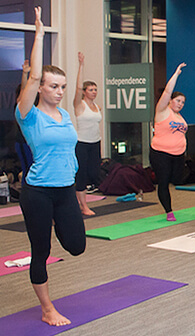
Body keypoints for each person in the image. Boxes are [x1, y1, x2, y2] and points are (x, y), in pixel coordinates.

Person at [15, 7, 86, 326]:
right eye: (53, 86)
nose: (59, 92)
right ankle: (47, 309)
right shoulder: (28, 115)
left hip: (65, 190)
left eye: (62, 86)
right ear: (40, 87)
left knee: (76, 246)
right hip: (38, 192)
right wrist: (40, 34)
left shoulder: (65, 116)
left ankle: (55, 223)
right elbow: (31, 76)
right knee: (40, 250)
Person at [149, 62, 187, 221]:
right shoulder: (162, 111)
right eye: (178, 100)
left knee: (178, 179)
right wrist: (176, 74)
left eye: (183, 102)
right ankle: (169, 211)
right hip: (161, 153)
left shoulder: (179, 117)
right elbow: (167, 91)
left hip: (178, 154)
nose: (180, 104)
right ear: (170, 101)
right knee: (163, 183)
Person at [72, 51, 103, 216]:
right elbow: (77, 88)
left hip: (95, 143)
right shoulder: (79, 105)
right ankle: (83, 206)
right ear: (84, 91)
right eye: (91, 89)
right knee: (81, 175)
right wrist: (81, 65)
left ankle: (79, 199)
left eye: (95, 89)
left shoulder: (97, 107)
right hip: (82, 143)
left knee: (94, 173)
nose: (94, 92)